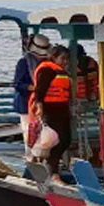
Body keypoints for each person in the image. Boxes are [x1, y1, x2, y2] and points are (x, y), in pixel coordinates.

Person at [30, 46, 74, 181]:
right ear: (54, 58)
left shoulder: (61, 72)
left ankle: (50, 166)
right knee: (54, 141)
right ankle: (53, 171)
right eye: (63, 59)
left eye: (67, 59)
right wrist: (39, 105)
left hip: (62, 111)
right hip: (50, 111)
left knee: (66, 139)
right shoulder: (47, 70)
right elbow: (40, 90)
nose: (66, 62)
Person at [12, 33, 51, 113]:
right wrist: (34, 88)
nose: (41, 57)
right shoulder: (23, 63)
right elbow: (17, 84)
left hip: (43, 102)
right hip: (25, 103)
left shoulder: (48, 63)